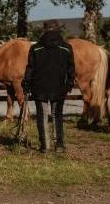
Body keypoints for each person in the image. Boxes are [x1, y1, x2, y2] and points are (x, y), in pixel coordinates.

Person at [23, 20, 76, 153]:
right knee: (57, 115)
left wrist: (26, 85)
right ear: (58, 30)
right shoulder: (66, 48)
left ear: (44, 30)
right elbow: (71, 69)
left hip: (39, 88)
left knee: (42, 117)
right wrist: (69, 85)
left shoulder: (35, 48)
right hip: (59, 88)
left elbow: (30, 68)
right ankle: (59, 145)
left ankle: (45, 146)